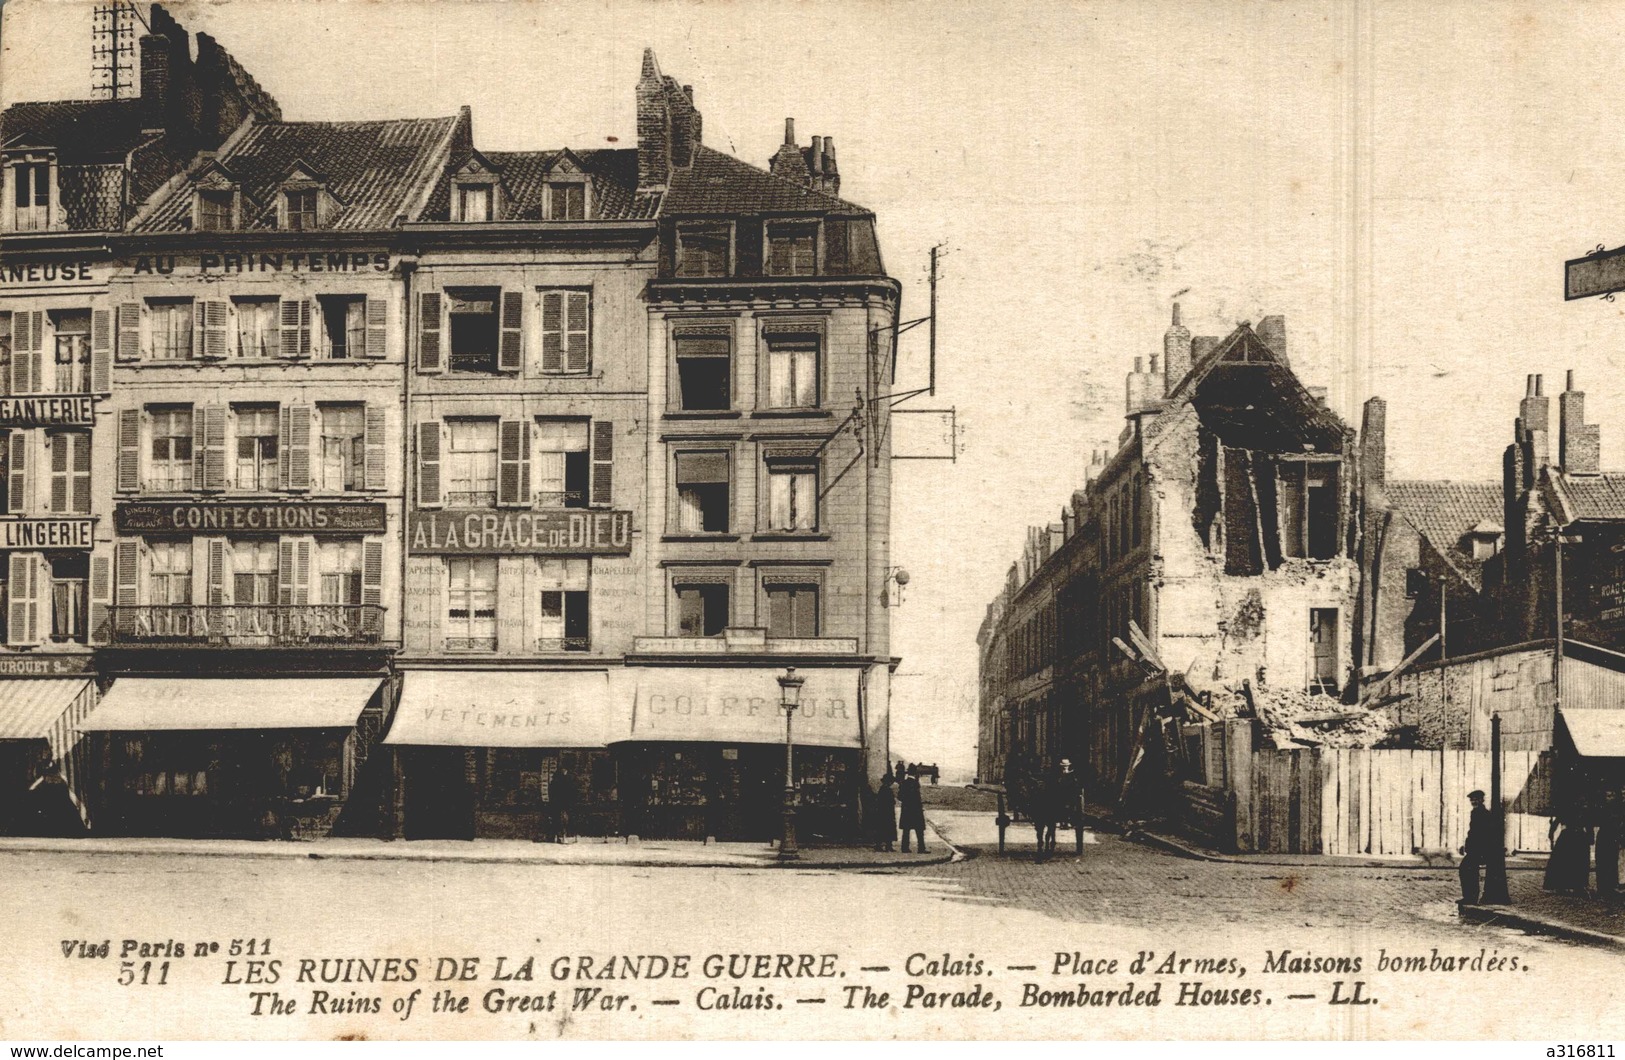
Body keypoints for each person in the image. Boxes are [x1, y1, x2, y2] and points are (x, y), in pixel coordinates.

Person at [1459, 789, 1495, 905]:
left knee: (1466, 870)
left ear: (1481, 800)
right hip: (1475, 849)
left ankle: (1470, 898)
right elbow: (1472, 832)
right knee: (1468, 871)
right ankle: (1470, 897)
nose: (1473, 801)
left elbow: (1479, 834)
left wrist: (1474, 848)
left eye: (1476, 799)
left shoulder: (1481, 813)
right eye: (1472, 800)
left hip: (1478, 849)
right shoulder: (1476, 812)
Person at [1595, 793, 1620, 899]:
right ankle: (1602, 888)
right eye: (1607, 796)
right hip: (1603, 837)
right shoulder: (1601, 809)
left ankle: (1611, 887)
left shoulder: (1617, 809)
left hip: (1613, 836)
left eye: (1612, 796)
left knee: (1612, 861)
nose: (1609, 798)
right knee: (1601, 862)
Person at [897, 765, 926, 853]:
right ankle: (921, 848)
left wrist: (906, 802)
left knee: (906, 829)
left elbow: (899, 797)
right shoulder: (915, 783)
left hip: (906, 809)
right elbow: (917, 798)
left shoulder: (903, 783)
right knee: (919, 829)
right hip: (915, 809)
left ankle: (904, 848)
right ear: (915, 773)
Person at [549, 764, 577, 843]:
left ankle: (560, 836)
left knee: (560, 819)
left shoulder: (556, 779)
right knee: (562, 819)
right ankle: (563, 836)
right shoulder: (568, 779)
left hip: (561, 802)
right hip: (563, 802)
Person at [871, 773, 897, 852]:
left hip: (883, 812)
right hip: (887, 813)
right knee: (887, 829)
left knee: (883, 829)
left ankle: (884, 845)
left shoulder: (882, 789)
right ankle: (886, 846)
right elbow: (891, 801)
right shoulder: (887, 789)